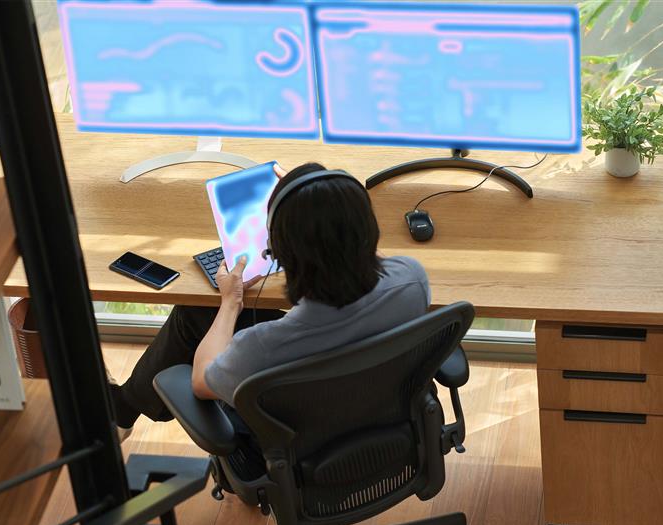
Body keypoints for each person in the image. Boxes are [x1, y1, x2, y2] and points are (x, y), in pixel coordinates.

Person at [109, 162, 431, 442]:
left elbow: (201, 380)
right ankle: (123, 407)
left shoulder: (262, 347)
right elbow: (367, 256)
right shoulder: (413, 281)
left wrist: (231, 301)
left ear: (278, 255)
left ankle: (122, 411)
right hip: (378, 419)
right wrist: (321, 202)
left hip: (301, 442)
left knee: (195, 314)